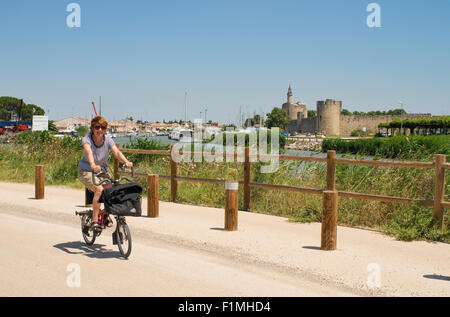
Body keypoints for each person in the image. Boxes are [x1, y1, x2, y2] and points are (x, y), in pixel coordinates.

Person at [78, 116, 133, 230]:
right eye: (97, 127)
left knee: (110, 190)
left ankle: (105, 215)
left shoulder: (107, 139)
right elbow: (88, 152)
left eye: (103, 127)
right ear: (92, 128)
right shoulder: (87, 139)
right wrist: (92, 164)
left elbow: (116, 152)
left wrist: (126, 161)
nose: (100, 130)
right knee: (99, 189)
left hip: (101, 171)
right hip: (86, 170)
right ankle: (94, 221)